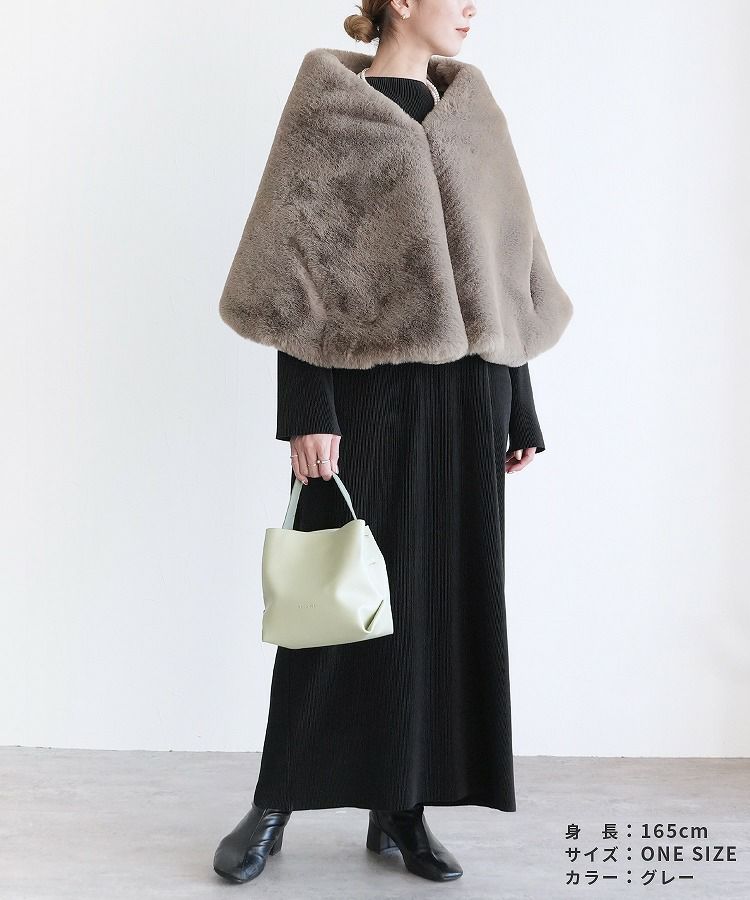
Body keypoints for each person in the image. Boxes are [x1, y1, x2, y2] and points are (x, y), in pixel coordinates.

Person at [213, 0, 573, 885]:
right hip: (366, 390)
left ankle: (402, 807)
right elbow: (293, 272)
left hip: (471, 395)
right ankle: (276, 799)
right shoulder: (327, 113)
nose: (472, 8)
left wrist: (520, 406)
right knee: (338, 599)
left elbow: (506, 269)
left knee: (440, 602)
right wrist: (306, 407)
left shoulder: (474, 114)